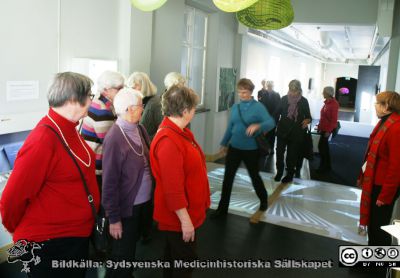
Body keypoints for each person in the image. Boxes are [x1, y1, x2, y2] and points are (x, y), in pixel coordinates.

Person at [0, 72, 100, 277]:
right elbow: (11, 199)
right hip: (51, 244)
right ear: (73, 99)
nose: (92, 100)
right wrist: (15, 230)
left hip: (74, 237)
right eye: (90, 95)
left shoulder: (69, 129)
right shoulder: (43, 139)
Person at [150, 85, 210, 278]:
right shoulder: (168, 141)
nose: (194, 111)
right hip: (178, 218)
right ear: (185, 111)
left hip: (185, 214)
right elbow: (173, 190)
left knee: (174, 259)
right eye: (193, 107)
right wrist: (186, 222)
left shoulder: (179, 132)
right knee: (183, 263)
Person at [102, 88, 153, 277]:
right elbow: (109, 184)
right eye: (141, 106)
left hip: (142, 205)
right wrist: (114, 219)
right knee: (121, 257)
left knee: (129, 253)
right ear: (130, 109)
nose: (143, 109)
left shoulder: (140, 128)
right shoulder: (114, 138)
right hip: (126, 209)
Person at [212, 78, 275, 223]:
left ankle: (263, 199)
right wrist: (224, 142)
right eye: (240, 92)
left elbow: (270, 122)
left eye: (245, 92)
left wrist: (258, 126)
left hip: (251, 149)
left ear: (251, 92)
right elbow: (230, 127)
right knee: (227, 179)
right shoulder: (235, 107)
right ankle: (222, 209)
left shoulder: (258, 107)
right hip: (234, 147)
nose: (242, 95)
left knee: (254, 177)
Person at [358, 91, 400, 246]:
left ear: (386, 106)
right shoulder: (385, 121)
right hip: (376, 182)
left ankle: (378, 267)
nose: (375, 106)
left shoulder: (396, 127)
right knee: (374, 224)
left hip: (383, 186)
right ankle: (373, 261)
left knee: (379, 226)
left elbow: (396, 166)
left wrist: (385, 194)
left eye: (377, 103)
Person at [81, 70, 125, 191]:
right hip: (99, 167)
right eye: (119, 88)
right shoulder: (102, 109)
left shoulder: (100, 100)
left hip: (95, 162)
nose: (122, 91)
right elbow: (110, 143)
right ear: (106, 90)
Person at [275, 79, 312, 183]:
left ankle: (290, 174)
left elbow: (309, 117)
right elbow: (276, 114)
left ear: (299, 90)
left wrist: (307, 120)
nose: (292, 93)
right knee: (279, 153)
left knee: (292, 155)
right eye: (291, 90)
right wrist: (272, 125)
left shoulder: (303, 101)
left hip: (296, 133)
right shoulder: (283, 99)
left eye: (295, 91)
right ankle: (279, 172)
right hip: (282, 131)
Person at [127, 72, 162, 140]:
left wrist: (146, 141)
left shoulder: (156, 103)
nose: (132, 89)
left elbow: (163, 130)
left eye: (135, 86)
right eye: (131, 87)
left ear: (144, 86)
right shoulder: (139, 101)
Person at [317, 86, 339, 173]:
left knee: (322, 148)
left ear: (328, 93)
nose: (322, 93)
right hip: (323, 128)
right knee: (323, 148)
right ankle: (327, 166)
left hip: (327, 130)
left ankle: (324, 167)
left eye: (324, 92)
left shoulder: (334, 104)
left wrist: (328, 131)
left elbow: (334, 120)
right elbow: (323, 116)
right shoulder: (327, 102)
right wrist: (319, 126)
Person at [257, 80, 281, 153]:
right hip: (265, 118)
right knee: (265, 133)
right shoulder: (263, 94)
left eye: (271, 85)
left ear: (273, 86)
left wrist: (274, 118)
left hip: (273, 118)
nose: (270, 87)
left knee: (272, 133)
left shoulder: (277, 94)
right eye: (268, 85)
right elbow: (261, 106)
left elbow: (278, 107)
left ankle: (271, 148)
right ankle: (265, 148)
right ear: (267, 86)